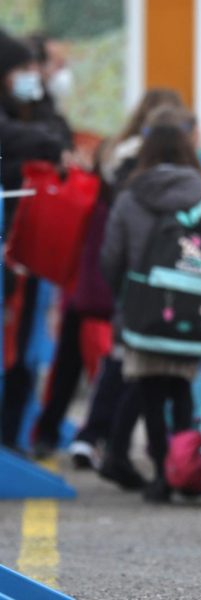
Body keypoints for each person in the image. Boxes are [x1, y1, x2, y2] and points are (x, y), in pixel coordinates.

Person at [100, 105, 201, 503]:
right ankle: (183, 470)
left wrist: (126, 295)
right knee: (180, 390)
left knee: (148, 391)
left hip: (142, 313)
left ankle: (161, 472)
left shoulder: (130, 197)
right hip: (194, 313)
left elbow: (111, 257)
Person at [63, 89, 186, 471]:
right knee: (175, 379)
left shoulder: (125, 178)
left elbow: (111, 251)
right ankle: (176, 460)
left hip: (135, 291)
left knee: (126, 365)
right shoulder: (196, 188)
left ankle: (102, 442)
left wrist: (122, 287)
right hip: (183, 295)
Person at [0, 29, 72, 451]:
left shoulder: (30, 108)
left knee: (25, 345)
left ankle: (12, 436)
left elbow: (57, 131)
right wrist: (47, 143)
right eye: (23, 69)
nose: (34, 76)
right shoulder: (13, 122)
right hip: (11, 239)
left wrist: (40, 100)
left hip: (26, 240)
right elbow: (16, 139)